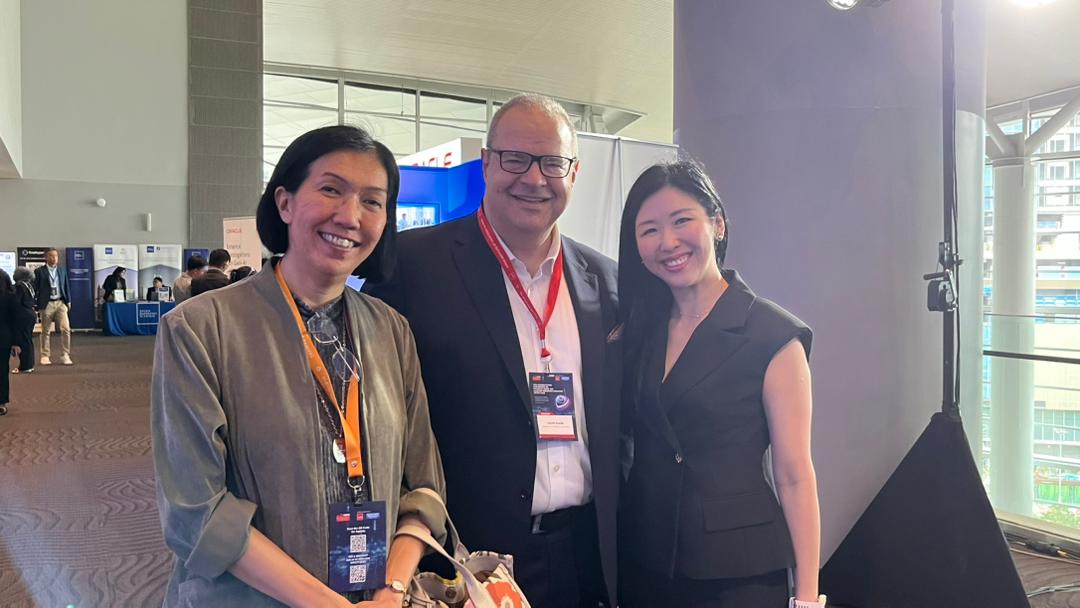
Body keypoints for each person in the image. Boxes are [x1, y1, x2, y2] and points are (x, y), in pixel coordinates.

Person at [152, 124, 446, 607]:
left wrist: (391, 590)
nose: (350, 216)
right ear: (285, 203)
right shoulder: (200, 329)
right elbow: (196, 514)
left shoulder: (392, 331)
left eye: (372, 201)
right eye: (331, 189)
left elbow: (424, 487)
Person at [364, 94, 620, 608]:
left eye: (552, 163)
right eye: (515, 159)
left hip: (588, 555)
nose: (534, 179)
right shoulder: (411, 267)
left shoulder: (606, 281)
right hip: (467, 557)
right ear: (486, 163)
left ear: (574, 173)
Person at [616, 160, 823, 608]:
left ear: (718, 224)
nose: (668, 242)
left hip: (737, 572)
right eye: (649, 230)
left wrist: (807, 597)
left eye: (681, 221)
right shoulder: (640, 330)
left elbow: (794, 475)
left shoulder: (772, 334)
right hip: (645, 562)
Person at [33, 248, 73, 366]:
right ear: (46, 257)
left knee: (66, 329)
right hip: (47, 304)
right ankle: (45, 355)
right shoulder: (39, 271)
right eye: (51, 256)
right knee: (45, 331)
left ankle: (65, 354)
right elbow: (35, 288)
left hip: (60, 302)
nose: (54, 258)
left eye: (56, 256)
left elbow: (66, 285)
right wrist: (35, 303)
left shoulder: (62, 270)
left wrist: (68, 301)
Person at [0, 269, 23, 416]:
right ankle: (1, 402)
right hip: (4, 339)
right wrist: (16, 343)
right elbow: (16, 322)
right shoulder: (11, 297)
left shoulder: (9, 298)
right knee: (2, 371)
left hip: (4, 338)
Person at [11, 267, 37, 374]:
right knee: (28, 340)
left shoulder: (18, 286)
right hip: (30, 314)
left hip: (22, 316)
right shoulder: (29, 286)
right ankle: (29, 364)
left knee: (23, 341)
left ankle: (25, 366)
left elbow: (15, 302)